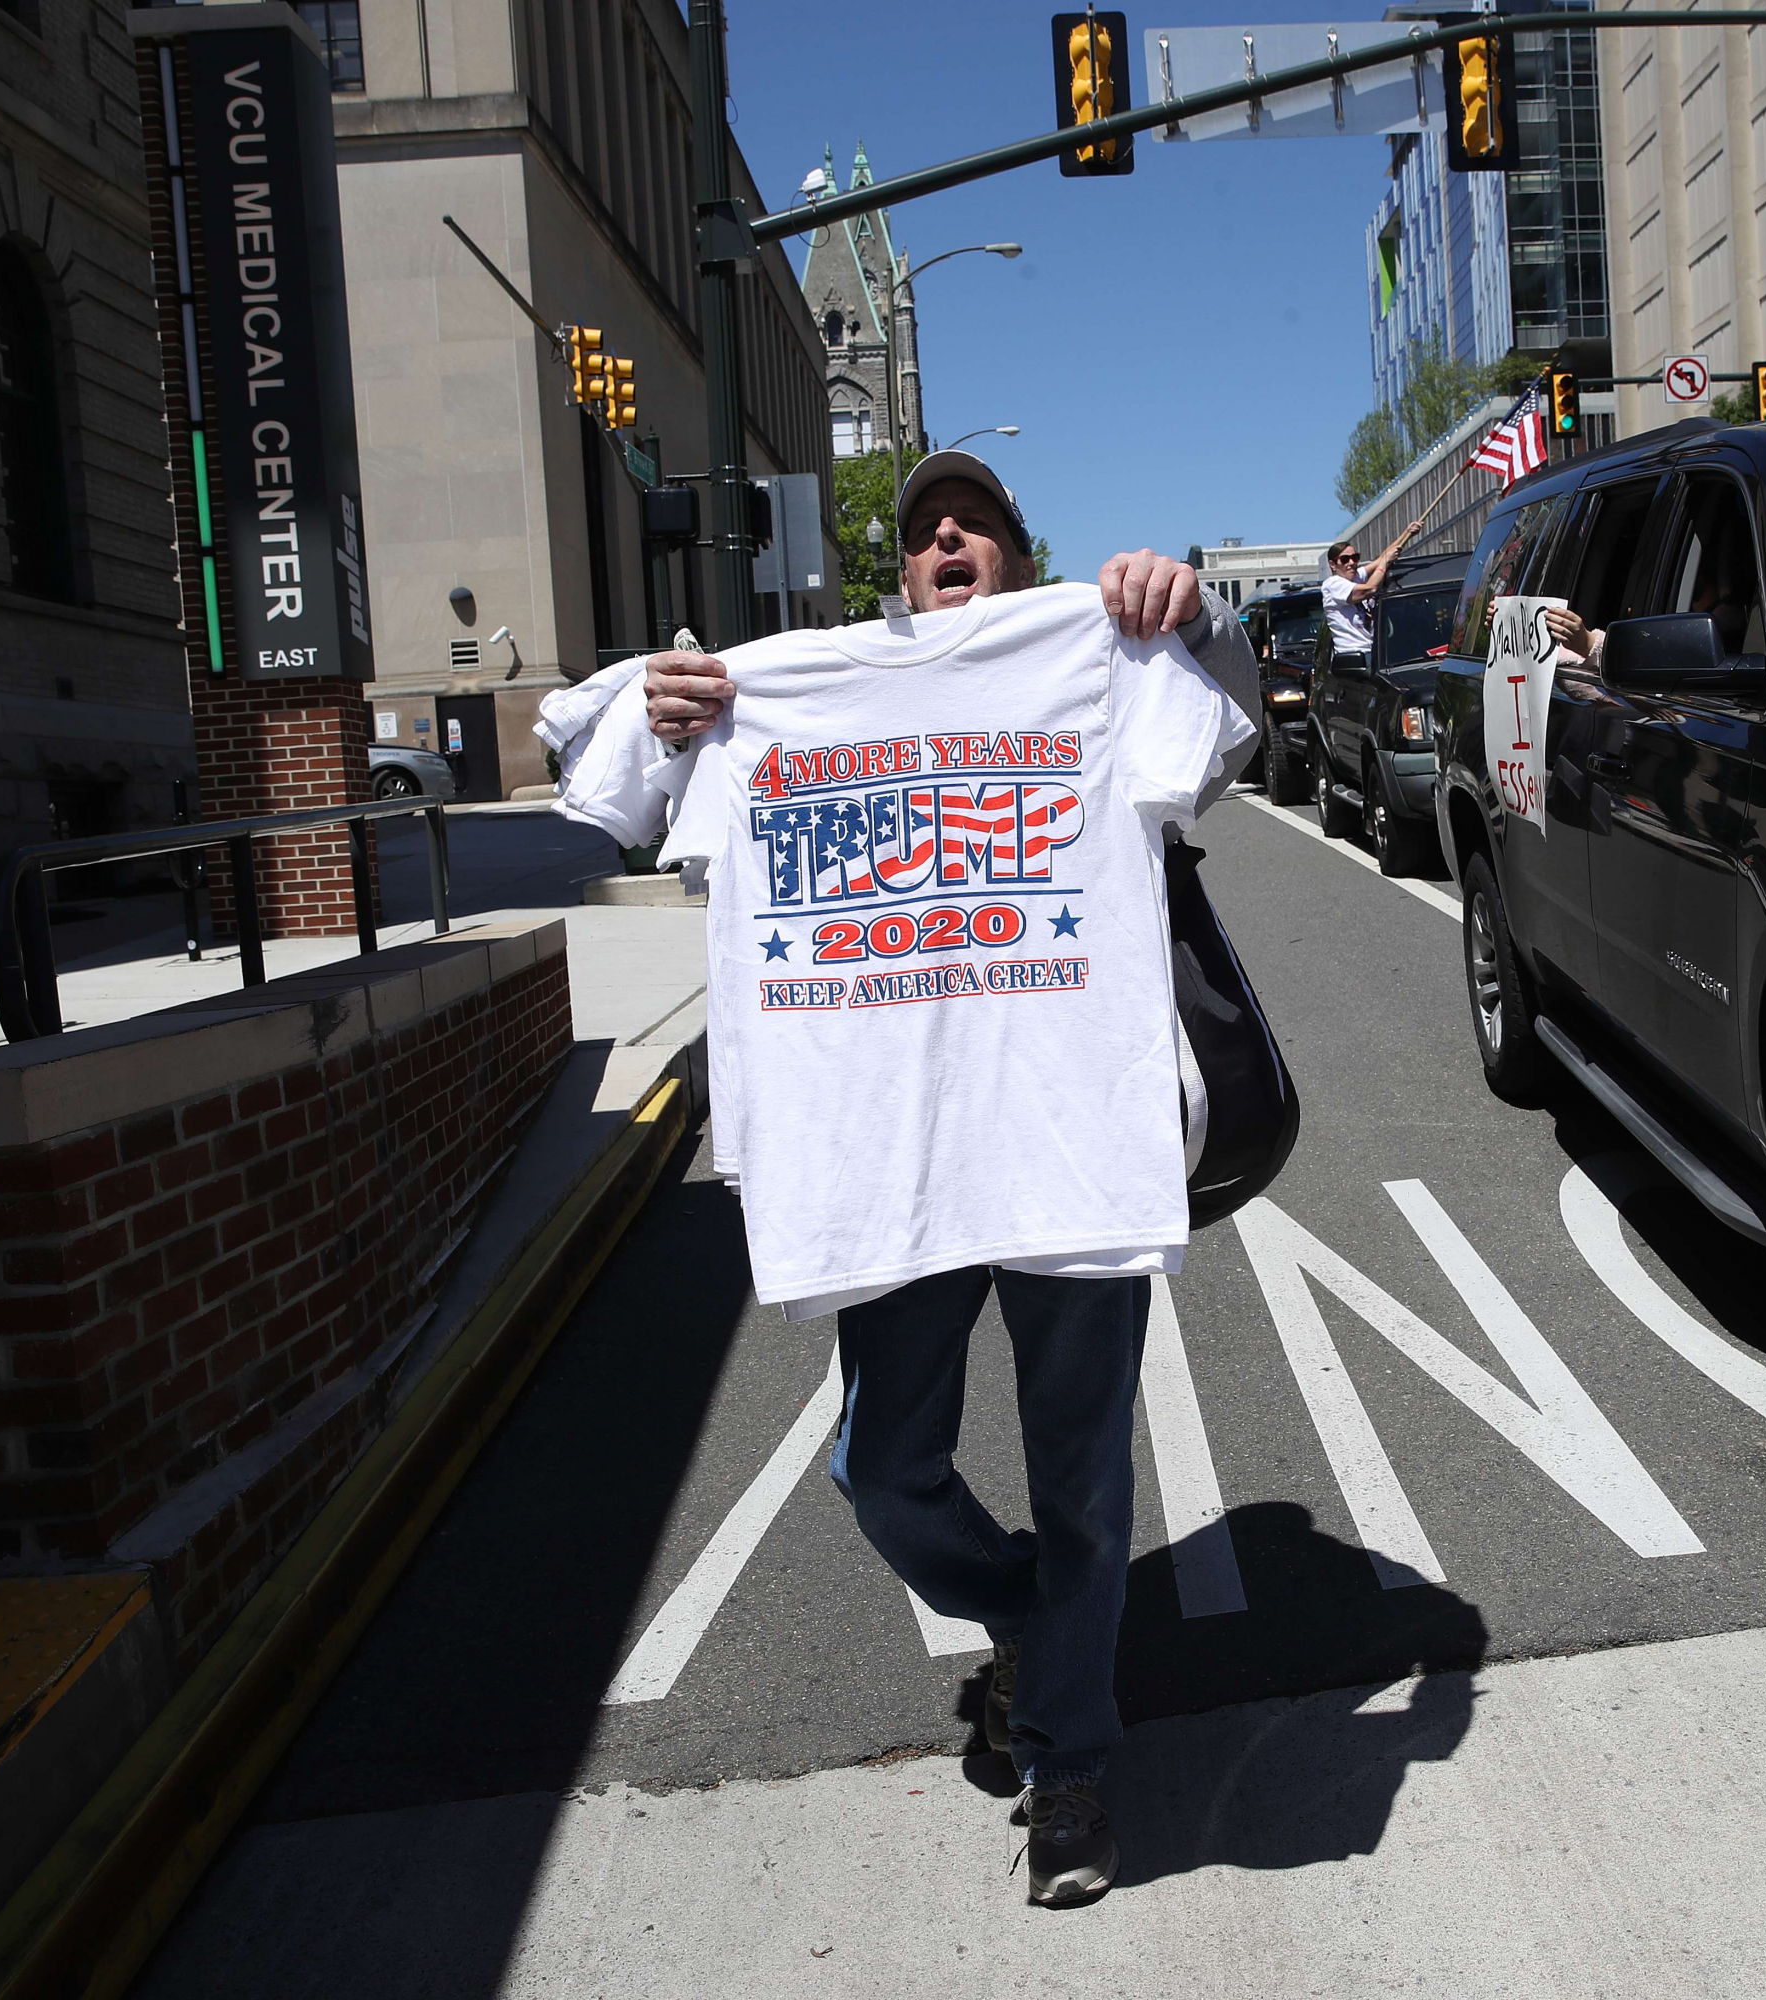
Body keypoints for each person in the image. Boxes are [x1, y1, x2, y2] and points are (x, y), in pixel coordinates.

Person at [640, 452, 1261, 1908]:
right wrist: (673, 721)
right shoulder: (786, 694)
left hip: (1066, 1146)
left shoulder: (1094, 650)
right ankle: (1040, 1623)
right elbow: (616, 792)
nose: (947, 541)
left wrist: (1194, 615)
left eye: (972, 522)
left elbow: (1225, 735)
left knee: (1086, 1481)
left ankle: (1071, 1770)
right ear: (898, 577)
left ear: (1019, 553)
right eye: (923, 533)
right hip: (894, 1161)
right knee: (882, 1469)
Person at [1318, 522, 1421, 665]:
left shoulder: (1356, 577)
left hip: (1375, 651)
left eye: (1355, 557)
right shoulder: (1332, 584)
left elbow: (1381, 558)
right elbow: (1370, 588)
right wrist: (1385, 562)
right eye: (1345, 559)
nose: (1352, 563)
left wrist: (1408, 533)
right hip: (1355, 656)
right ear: (1333, 564)